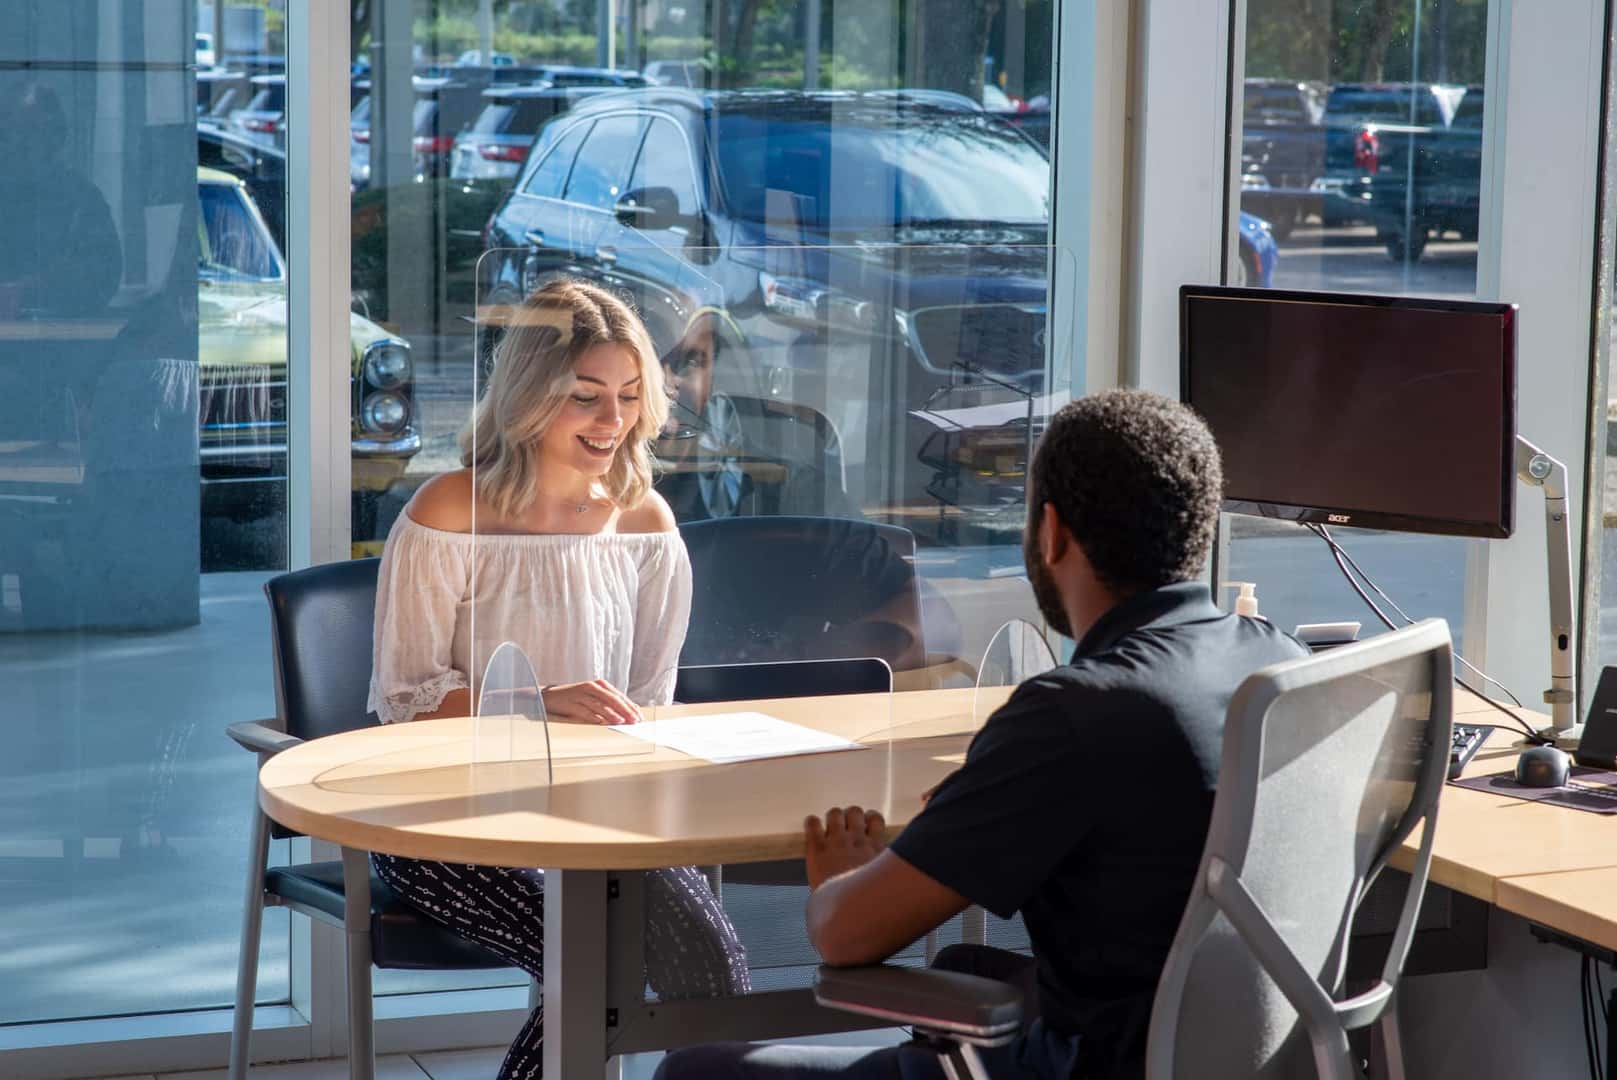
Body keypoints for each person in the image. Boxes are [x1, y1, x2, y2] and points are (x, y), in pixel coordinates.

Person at [655, 389, 1308, 1080]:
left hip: (1094, 1063)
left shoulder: (1074, 712)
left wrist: (843, 877)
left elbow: (845, 935)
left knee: (693, 1072)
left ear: (1049, 531)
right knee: (963, 964)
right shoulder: (1277, 662)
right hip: (1236, 1046)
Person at [366, 279, 751, 1079]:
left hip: (603, 817)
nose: (611, 421)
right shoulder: (448, 510)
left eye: (628, 396)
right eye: (585, 397)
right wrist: (535, 707)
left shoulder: (646, 523)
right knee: (594, 961)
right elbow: (403, 704)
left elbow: (648, 703)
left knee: (713, 972)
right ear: (530, 398)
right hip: (443, 818)